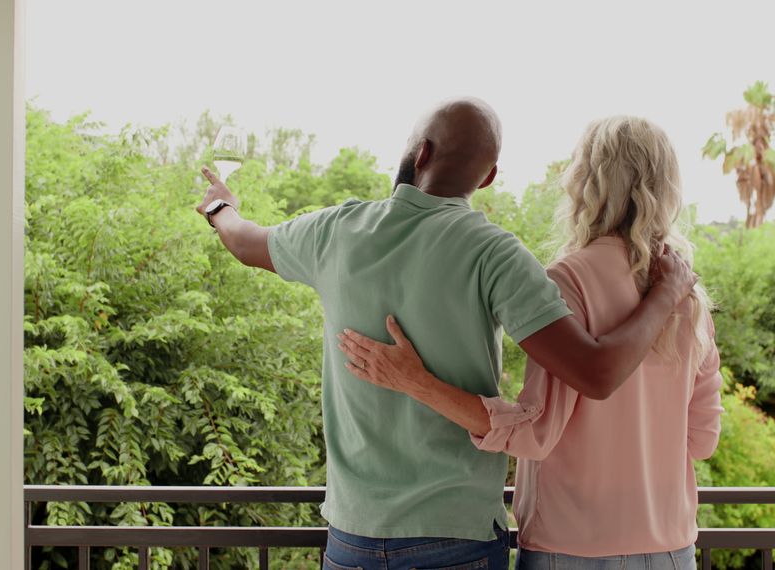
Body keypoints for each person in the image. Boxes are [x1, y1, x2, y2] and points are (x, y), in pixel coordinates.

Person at [195, 101, 699, 570]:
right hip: (459, 535)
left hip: (354, 532)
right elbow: (595, 370)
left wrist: (222, 208)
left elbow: (244, 243)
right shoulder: (496, 254)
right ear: (490, 177)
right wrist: (666, 292)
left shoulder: (334, 231)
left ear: (420, 152)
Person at [339, 116, 722, 570]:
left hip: (570, 548)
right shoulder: (685, 292)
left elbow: (535, 435)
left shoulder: (570, 280)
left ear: (586, 181)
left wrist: (418, 382)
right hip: (671, 549)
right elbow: (701, 439)